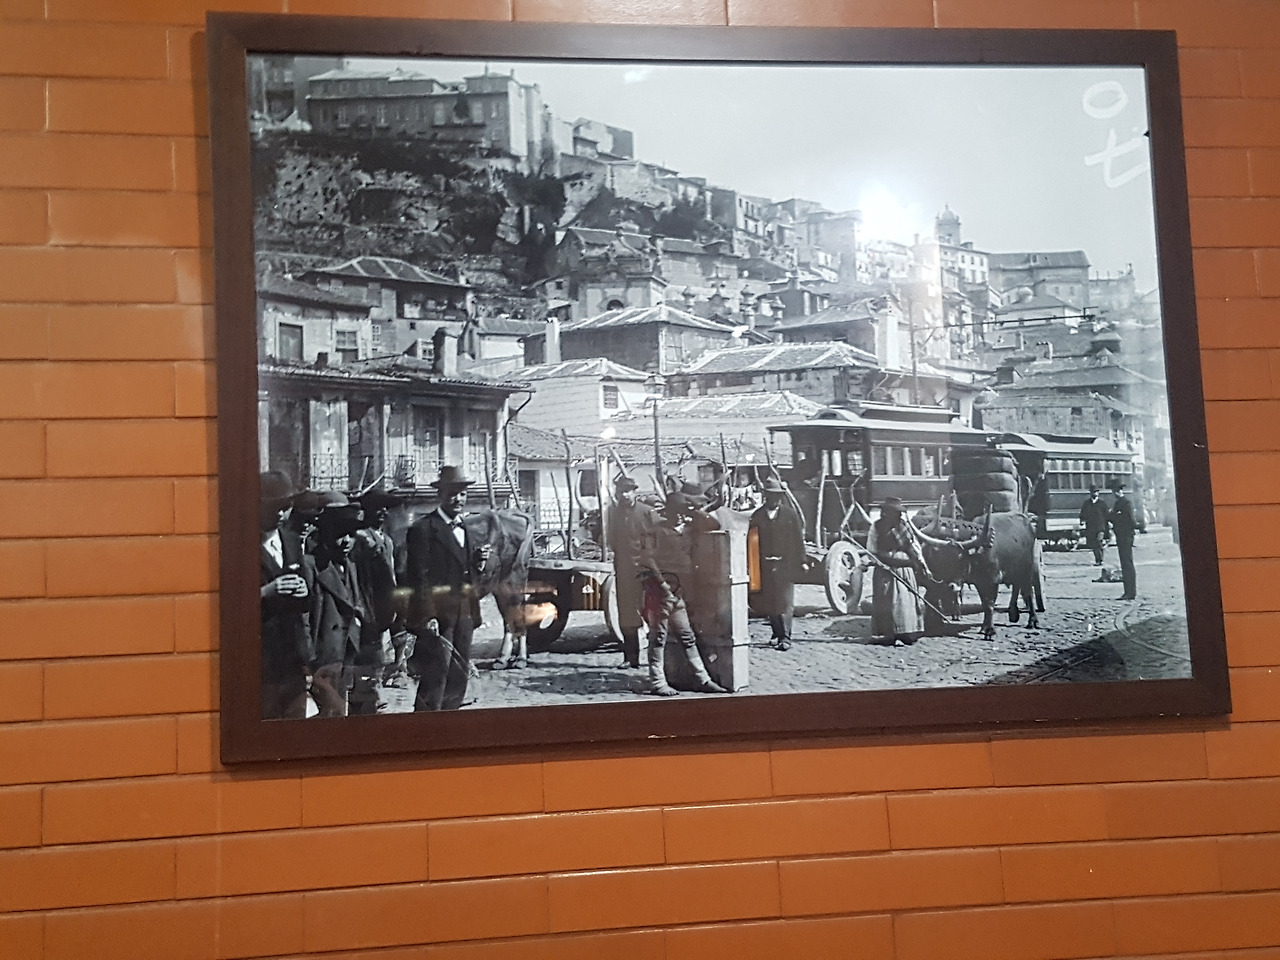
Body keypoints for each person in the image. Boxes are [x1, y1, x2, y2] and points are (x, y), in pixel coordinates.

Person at [404, 465, 491, 711]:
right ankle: (425, 723)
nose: (458, 499)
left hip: (464, 611)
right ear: (440, 495)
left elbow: (464, 569)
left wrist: (478, 563)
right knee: (436, 671)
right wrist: (427, 616)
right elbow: (418, 577)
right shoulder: (423, 529)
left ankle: (451, 720)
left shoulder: (466, 528)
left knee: (459, 670)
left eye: (463, 493)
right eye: (452, 493)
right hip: (438, 614)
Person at [633, 484, 727, 696]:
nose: (681, 517)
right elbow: (647, 560)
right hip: (659, 593)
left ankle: (703, 680)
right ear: (668, 513)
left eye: (684, 513)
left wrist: (696, 510)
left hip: (679, 593)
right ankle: (658, 683)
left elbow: (714, 524)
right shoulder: (654, 531)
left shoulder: (687, 530)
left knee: (687, 637)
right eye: (678, 513)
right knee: (658, 637)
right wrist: (663, 586)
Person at [259, 471, 310, 719]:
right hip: (262, 661)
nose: (281, 515)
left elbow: (308, 603)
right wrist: (266, 592)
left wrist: (304, 590)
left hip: (293, 658)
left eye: (286, 508)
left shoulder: (292, 541)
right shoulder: (242, 544)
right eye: (274, 508)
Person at [749, 476, 805, 651]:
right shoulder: (757, 516)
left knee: (785, 602)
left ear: (780, 497)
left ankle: (786, 637)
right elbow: (752, 543)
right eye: (771, 496)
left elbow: (798, 539)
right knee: (770, 602)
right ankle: (776, 633)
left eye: (777, 496)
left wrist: (802, 561)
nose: (774, 499)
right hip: (765, 565)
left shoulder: (790, 515)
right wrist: (752, 567)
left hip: (785, 564)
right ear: (765, 496)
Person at [867, 496, 928, 643]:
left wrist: (920, 563)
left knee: (905, 598)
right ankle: (888, 633)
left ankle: (907, 632)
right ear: (885, 512)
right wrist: (878, 561)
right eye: (893, 512)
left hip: (904, 567)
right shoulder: (877, 526)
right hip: (885, 568)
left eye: (898, 513)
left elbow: (914, 547)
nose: (896, 515)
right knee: (887, 599)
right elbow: (871, 548)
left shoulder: (904, 527)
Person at [607, 473, 650, 669]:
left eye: (627, 491)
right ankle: (630, 658)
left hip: (647, 570)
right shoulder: (613, 513)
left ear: (634, 492)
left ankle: (656, 659)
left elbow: (655, 540)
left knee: (650, 612)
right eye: (620, 491)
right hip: (624, 571)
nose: (624, 495)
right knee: (626, 615)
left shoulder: (646, 512)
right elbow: (612, 540)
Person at [1109, 479, 1139, 600]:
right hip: (1121, 536)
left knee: (1127, 564)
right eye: (1114, 491)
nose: (1115, 493)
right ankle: (1128, 591)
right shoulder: (1118, 503)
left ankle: (1131, 592)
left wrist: (1116, 518)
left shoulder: (1126, 503)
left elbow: (1131, 521)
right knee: (1125, 564)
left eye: (1116, 491)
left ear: (1119, 491)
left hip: (1126, 536)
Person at [1079, 484, 1111, 565]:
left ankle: (1100, 560)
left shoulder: (1102, 503)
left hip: (1100, 527)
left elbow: (1107, 515)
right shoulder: (1087, 503)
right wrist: (1082, 521)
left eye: (1096, 492)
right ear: (1090, 493)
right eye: (1093, 492)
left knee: (1098, 542)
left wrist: (1108, 525)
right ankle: (1097, 560)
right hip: (1091, 527)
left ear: (1098, 493)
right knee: (1093, 544)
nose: (1094, 493)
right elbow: (1083, 514)